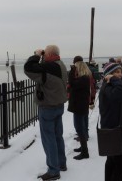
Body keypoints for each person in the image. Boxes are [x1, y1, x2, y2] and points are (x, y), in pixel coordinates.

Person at [24, 45, 67, 181]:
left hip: (48, 107)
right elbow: (45, 70)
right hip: (59, 105)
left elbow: (28, 68)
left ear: (48, 55)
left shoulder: (48, 68)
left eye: (45, 54)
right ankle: (61, 164)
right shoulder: (61, 65)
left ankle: (53, 171)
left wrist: (37, 55)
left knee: (49, 140)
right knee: (57, 136)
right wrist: (42, 58)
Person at [99, 63, 122, 181]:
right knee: (121, 167)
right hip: (114, 131)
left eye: (120, 72)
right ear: (108, 75)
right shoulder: (109, 87)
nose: (120, 74)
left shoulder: (109, 87)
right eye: (116, 72)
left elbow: (116, 100)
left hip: (114, 128)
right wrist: (113, 78)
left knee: (112, 162)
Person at [68, 61, 93, 160]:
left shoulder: (83, 79)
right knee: (80, 127)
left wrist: (71, 72)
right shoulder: (84, 78)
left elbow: (72, 83)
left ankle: (85, 152)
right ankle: (83, 147)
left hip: (80, 106)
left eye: (76, 68)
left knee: (79, 128)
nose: (75, 69)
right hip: (81, 106)